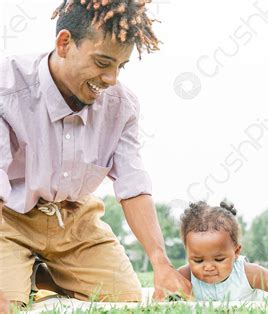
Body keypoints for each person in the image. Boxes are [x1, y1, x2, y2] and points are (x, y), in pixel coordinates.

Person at [0, 0, 191, 311]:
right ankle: (23, 275)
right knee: (8, 304)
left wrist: (161, 264)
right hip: (8, 219)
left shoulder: (122, 105)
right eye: (103, 63)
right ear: (64, 43)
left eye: (121, 66)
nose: (112, 79)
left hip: (75, 219)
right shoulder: (6, 88)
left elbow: (132, 184)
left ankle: (40, 275)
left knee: (125, 301)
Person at [177, 201, 268, 301]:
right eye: (198, 260)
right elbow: (165, 294)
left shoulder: (248, 273)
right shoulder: (185, 276)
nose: (208, 267)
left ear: (236, 252)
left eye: (219, 259)